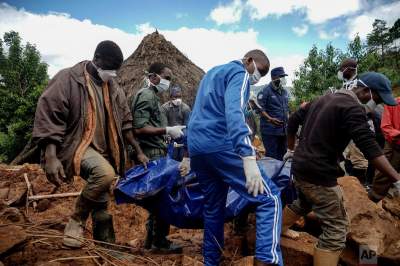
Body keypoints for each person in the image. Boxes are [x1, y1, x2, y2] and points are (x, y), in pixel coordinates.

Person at [32, 41, 149, 248]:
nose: (112, 73)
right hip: (77, 145)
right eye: (109, 67)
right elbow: (50, 114)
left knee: (101, 201)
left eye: (116, 69)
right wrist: (51, 156)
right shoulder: (68, 78)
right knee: (105, 174)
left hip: (106, 150)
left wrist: (138, 152)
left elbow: (126, 122)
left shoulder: (113, 87)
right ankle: (76, 220)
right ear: (96, 59)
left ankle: (106, 247)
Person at [281, 72, 400, 266]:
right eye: (377, 98)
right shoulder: (352, 108)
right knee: (336, 229)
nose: (377, 104)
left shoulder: (324, 98)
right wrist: (396, 179)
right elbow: (370, 149)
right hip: (317, 173)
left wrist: (290, 148)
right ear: (365, 90)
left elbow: (293, 119)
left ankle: (279, 230)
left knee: (304, 202)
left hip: (302, 167)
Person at [188, 50, 283, 266]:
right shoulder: (239, 73)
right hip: (219, 144)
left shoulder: (211, 73)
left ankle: (210, 262)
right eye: (259, 71)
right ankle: (267, 260)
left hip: (198, 149)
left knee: (213, 208)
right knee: (270, 198)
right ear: (248, 61)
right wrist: (248, 156)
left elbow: (199, 111)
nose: (257, 77)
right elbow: (234, 113)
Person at [131, 62, 184, 253]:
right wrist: (167, 129)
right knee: (162, 199)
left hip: (158, 150)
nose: (168, 82)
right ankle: (158, 242)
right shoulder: (146, 95)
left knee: (157, 200)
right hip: (152, 154)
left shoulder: (152, 95)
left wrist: (166, 135)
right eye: (166, 77)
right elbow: (139, 128)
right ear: (154, 76)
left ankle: (151, 241)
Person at [369, 96, 400, 201]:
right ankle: (374, 200)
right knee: (383, 175)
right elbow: (386, 127)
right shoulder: (393, 103)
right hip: (394, 145)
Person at [257, 67, 289, 160]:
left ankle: (281, 174)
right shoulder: (265, 92)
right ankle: (272, 174)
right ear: (274, 78)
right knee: (272, 157)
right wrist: (270, 119)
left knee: (283, 155)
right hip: (270, 131)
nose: (283, 79)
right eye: (281, 76)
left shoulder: (284, 92)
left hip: (283, 131)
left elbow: (286, 109)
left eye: (284, 76)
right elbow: (260, 109)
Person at [161, 85, 191, 161]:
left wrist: (185, 146)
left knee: (182, 158)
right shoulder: (164, 108)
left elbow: (187, 127)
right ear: (170, 97)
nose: (178, 99)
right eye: (175, 97)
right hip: (170, 138)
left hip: (182, 138)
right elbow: (164, 128)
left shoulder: (186, 108)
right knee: (171, 158)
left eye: (179, 97)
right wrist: (167, 144)